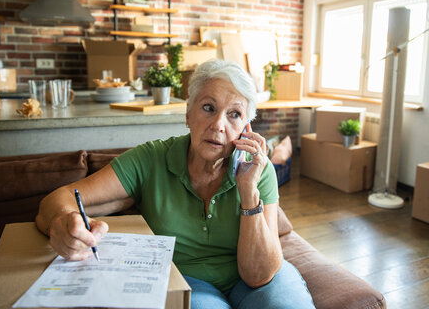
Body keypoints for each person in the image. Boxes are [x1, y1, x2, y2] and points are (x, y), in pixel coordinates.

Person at [36, 59, 315, 309]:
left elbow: (259, 275)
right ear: (188, 114)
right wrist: (63, 223)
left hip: (259, 283)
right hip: (191, 281)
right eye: (208, 108)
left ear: (246, 127)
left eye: (234, 114)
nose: (219, 124)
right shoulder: (152, 158)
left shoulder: (257, 168)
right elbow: (58, 200)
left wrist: (247, 190)